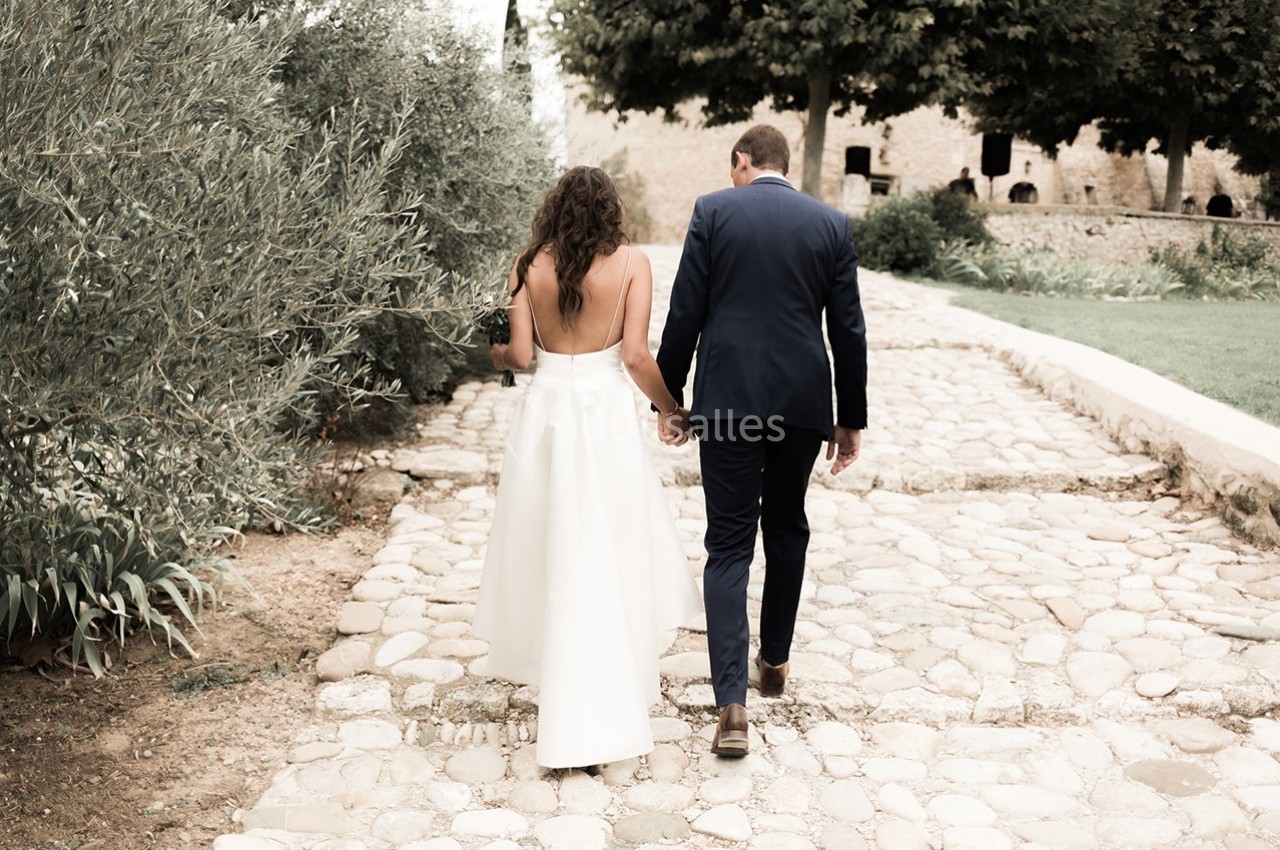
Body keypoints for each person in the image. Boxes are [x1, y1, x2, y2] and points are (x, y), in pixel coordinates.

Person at [475, 166, 702, 769]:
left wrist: (491, 352)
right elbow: (633, 355)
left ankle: (566, 692)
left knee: (553, 549)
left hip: (546, 413)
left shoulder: (527, 264)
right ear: (611, 212)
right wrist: (672, 408)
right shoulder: (633, 264)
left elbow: (521, 355)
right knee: (607, 549)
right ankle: (604, 701)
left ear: (554, 209)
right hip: (603, 415)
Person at [655, 125, 867, 758]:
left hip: (729, 407)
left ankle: (731, 707)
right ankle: (773, 659)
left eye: (734, 168)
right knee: (786, 525)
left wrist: (670, 401)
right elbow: (849, 330)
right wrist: (849, 417)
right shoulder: (830, 225)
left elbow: (685, 311)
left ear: (742, 161)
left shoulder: (714, 211)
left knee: (727, 544)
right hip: (802, 407)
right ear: (787, 166)